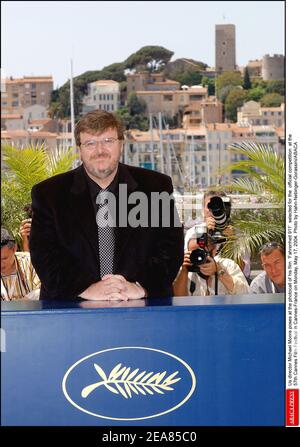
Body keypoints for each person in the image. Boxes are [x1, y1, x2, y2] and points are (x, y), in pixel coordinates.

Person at [30, 110, 184, 301]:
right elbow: (44, 255)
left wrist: (140, 287)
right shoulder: (49, 194)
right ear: (79, 148)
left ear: (121, 144)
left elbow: (170, 248)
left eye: (108, 141)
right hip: (70, 311)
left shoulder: (154, 187)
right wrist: (86, 289)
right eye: (90, 143)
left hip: (142, 309)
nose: (100, 151)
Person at [173, 226, 250, 296]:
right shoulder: (185, 271)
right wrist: (184, 271)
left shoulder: (228, 265)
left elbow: (244, 293)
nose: (198, 256)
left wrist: (219, 270)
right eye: (194, 252)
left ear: (214, 251)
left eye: (201, 252)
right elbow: (178, 300)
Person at [1, 228, 40, 301]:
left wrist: (26, 300)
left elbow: (44, 289)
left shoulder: (30, 262)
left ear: (14, 248)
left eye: (4, 259)